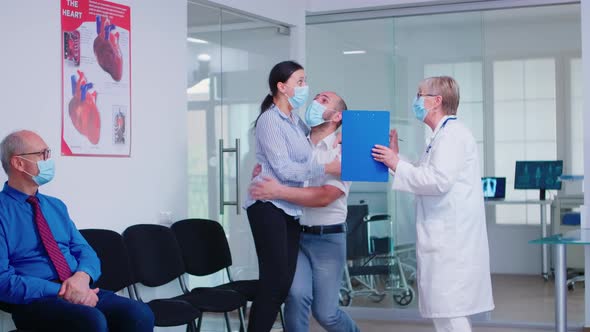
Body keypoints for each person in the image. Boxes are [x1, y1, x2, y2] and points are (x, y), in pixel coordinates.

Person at [372, 76, 494, 332]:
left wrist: (395, 163)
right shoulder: (442, 136)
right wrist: (397, 158)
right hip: (444, 237)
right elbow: (423, 172)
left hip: (452, 240)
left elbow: (438, 181)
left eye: (420, 94)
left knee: (451, 312)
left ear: (436, 101)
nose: (415, 100)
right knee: (446, 311)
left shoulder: (452, 135)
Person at [0, 130, 154, 332]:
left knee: (139, 313)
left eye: (49, 153)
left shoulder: (56, 206)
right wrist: (64, 291)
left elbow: (85, 251)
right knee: (91, 321)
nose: (48, 160)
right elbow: (2, 280)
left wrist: (82, 278)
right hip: (36, 299)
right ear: (18, 163)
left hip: (80, 286)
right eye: (42, 154)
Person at [250, 91, 359, 332]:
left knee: (326, 313)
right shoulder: (295, 142)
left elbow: (325, 196)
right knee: (296, 297)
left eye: (323, 100)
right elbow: (274, 171)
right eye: (316, 98)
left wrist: (277, 191)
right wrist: (263, 177)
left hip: (328, 239)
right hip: (296, 234)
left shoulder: (344, 151)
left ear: (337, 115)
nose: (314, 103)